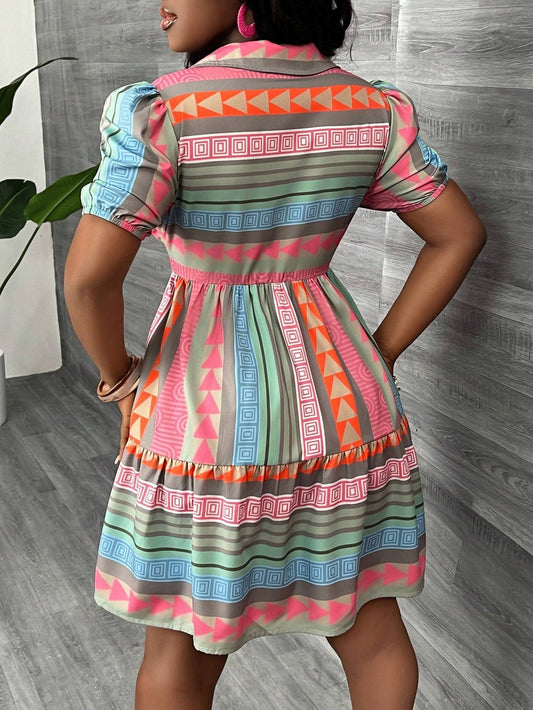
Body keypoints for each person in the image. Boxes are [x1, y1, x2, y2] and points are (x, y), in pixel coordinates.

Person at [64, 1, 487, 709]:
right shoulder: (369, 108)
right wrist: (377, 354)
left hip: (202, 413)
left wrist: (120, 379)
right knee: (370, 627)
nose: (161, 3)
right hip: (344, 403)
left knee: (180, 643)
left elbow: (87, 279)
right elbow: (459, 234)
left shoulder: (163, 113)